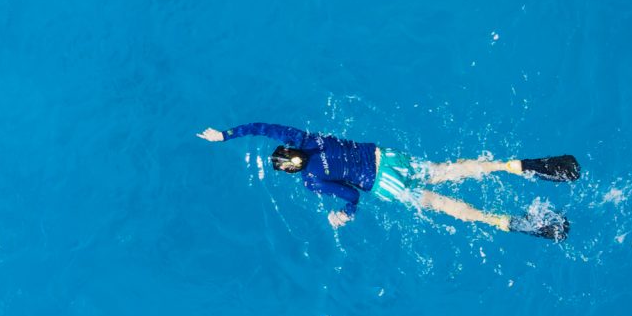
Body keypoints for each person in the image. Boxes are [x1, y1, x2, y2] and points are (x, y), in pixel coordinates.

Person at [199, 123, 577, 237]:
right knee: (451, 169)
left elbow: (352, 198)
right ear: (292, 148)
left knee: (444, 205)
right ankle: (512, 166)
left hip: (384, 185)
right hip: (389, 159)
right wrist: (226, 135)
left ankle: (501, 221)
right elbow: (265, 127)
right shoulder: (308, 139)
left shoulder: (311, 181)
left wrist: (343, 216)